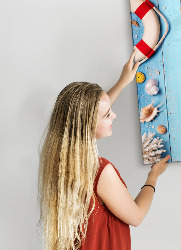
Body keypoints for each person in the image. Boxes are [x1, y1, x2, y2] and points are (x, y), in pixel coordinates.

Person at [38, 49, 170, 250]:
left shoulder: (59, 161)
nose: (114, 116)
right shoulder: (100, 172)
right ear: (88, 124)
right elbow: (136, 216)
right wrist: (153, 177)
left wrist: (123, 81)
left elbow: (90, 114)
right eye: (108, 115)